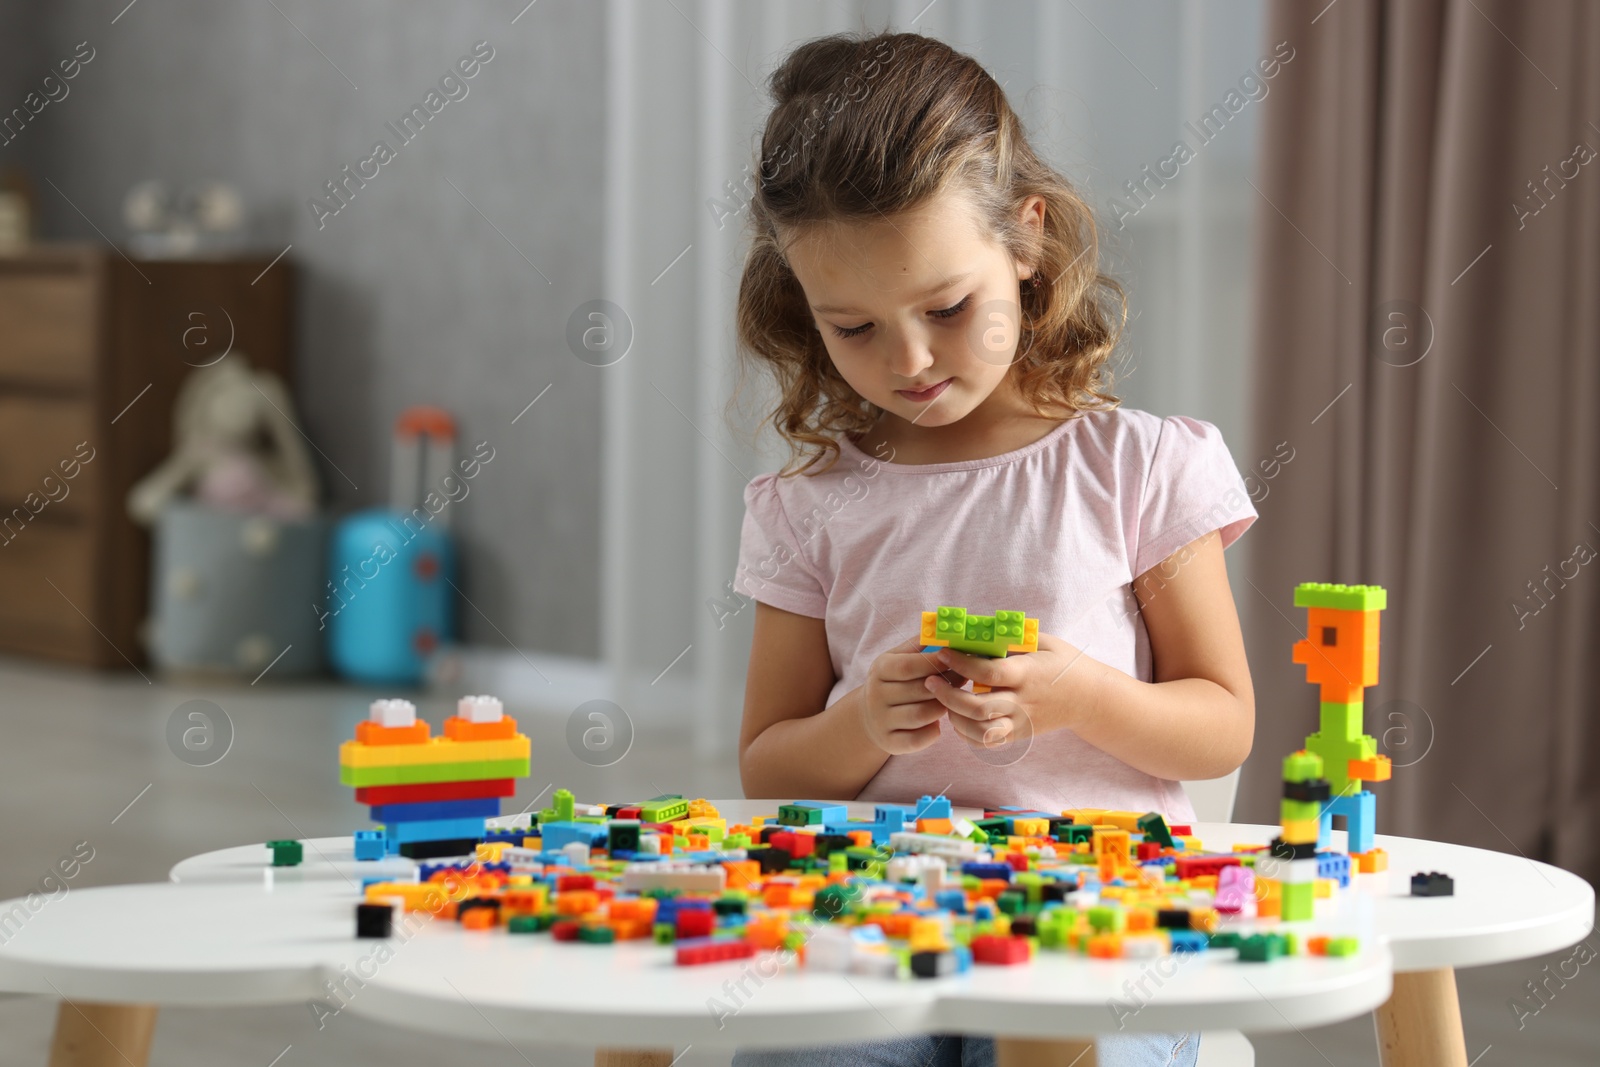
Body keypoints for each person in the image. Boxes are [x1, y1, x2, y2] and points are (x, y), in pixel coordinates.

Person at [729, 30, 1257, 1067]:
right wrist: (863, 720)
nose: (910, 359)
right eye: (854, 327)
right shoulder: (809, 505)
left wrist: (1077, 693)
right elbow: (767, 764)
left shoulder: (1139, 467)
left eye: (946, 307)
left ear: (1026, 238)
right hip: (875, 922)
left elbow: (1222, 727)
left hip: (1107, 921)